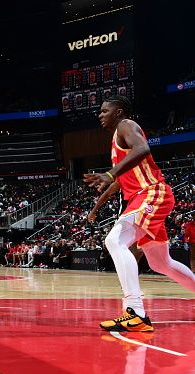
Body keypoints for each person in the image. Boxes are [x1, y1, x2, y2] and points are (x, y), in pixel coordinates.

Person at [84, 95, 195, 332]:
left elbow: (144, 148)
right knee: (160, 263)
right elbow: (116, 184)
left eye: (105, 110)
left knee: (114, 240)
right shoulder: (117, 143)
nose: (100, 115)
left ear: (119, 112)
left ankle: (135, 312)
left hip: (152, 193)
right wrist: (96, 206)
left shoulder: (126, 125)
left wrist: (111, 174)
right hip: (142, 198)